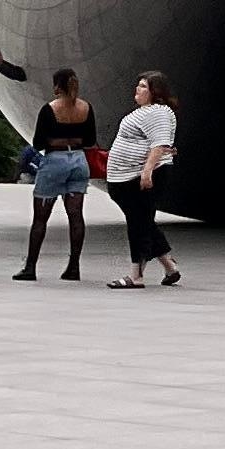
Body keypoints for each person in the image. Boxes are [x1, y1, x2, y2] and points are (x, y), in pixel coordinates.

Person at [19, 70, 99, 281]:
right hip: (79, 162)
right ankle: (74, 266)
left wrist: (57, 142)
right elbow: (90, 139)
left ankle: (30, 267)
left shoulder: (49, 110)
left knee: (40, 218)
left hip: (55, 162)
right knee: (75, 215)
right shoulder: (86, 108)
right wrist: (74, 141)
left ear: (57, 87)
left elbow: (38, 142)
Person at [106, 74, 179, 287]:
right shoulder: (145, 112)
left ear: (155, 92)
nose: (137, 89)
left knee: (138, 224)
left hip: (140, 176)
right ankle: (169, 266)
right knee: (143, 221)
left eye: (143, 86)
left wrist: (147, 172)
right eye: (137, 84)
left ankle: (135, 275)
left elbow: (160, 144)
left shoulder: (158, 112)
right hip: (127, 176)